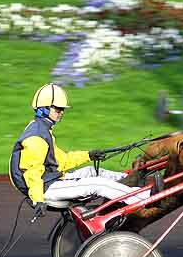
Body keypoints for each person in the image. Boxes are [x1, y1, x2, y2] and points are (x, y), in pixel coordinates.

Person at [9, 83, 161, 218]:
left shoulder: (42, 129)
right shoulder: (37, 137)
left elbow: (62, 161)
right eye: (58, 109)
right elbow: (32, 172)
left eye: (62, 109)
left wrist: (89, 155)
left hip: (50, 181)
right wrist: (38, 200)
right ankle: (144, 196)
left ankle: (131, 181)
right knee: (97, 184)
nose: (62, 112)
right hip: (45, 189)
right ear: (44, 109)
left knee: (91, 171)